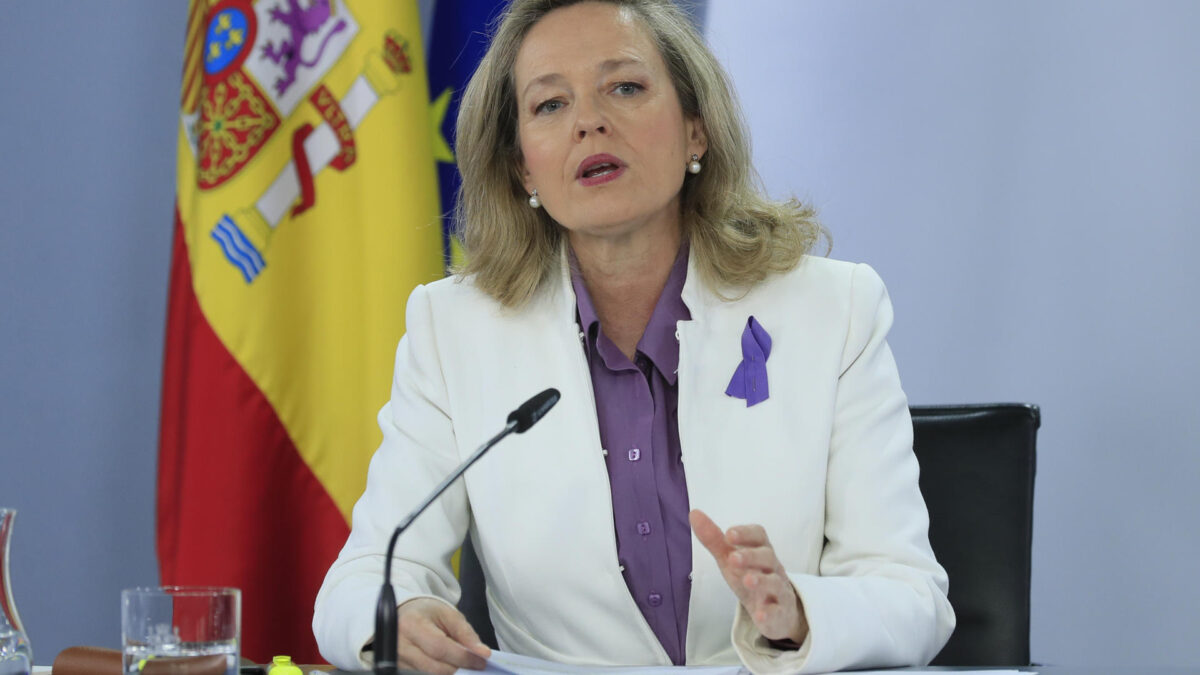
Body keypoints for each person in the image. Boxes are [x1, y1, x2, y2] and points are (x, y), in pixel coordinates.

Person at [313, 0, 955, 673]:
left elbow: (911, 594)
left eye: (625, 87)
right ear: (524, 168)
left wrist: (798, 614)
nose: (589, 120)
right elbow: (362, 582)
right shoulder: (454, 330)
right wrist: (400, 617)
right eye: (550, 105)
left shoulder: (832, 309)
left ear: (696, 130)